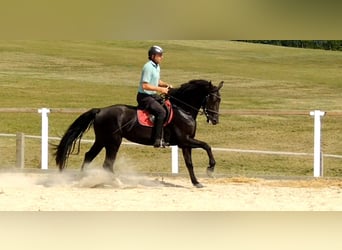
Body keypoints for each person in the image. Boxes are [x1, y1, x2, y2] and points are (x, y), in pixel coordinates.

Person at [137, 45, 171, 148]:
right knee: (161, 112)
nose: (162, 57)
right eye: (159, 55)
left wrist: (165, 85)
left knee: (168, 106)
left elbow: (156, 81)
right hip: (144, 97)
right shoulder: (148, 67)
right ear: (152, 56)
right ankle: (157, 140)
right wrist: (161, 90)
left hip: (152, 95)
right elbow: (145, 85)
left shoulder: (156, 66)